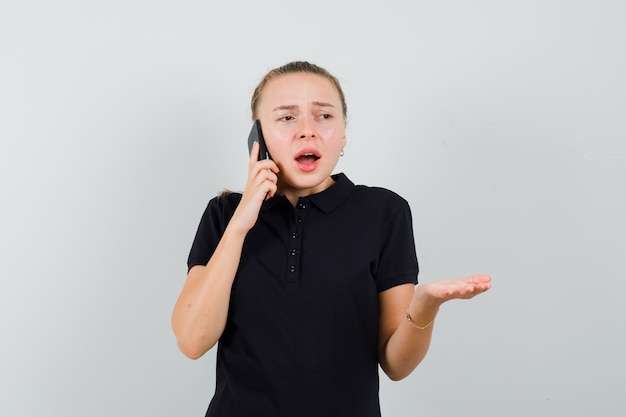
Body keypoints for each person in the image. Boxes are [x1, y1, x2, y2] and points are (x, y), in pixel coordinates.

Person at [172, 61, 491, 417]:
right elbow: (192, 341)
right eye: (287, 118)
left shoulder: (384, 211)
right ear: (257, 139)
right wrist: (240, 224)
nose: (308, 131)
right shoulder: (224, 214)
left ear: (342, 135)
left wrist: (425, 306)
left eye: (324, 116)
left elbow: (396, 365)